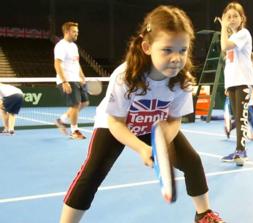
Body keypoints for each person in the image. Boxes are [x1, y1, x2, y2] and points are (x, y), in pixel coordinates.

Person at [59, 6, 224, 223]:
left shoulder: (183, 81)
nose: (176, 58)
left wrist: (161, 144)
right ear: (147, 47)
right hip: (117, 125)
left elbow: (174, 120)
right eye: (167, 50)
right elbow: (115, 122)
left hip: (154, 126)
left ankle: (204, 214)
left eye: (182, 50)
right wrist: (141, 148)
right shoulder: (126, 76)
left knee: (192, 161)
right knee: (93, 172)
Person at [216, 2, 253, 166]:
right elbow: (227, 59)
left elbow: (224, 46)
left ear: (242, 18)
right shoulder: (232, 36)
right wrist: (226, 85)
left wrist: (223, 27)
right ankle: (239, 150)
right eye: (228, 17)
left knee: (241, 118)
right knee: (237, 118)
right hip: (232, 82)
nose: (232, 19)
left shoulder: (244, 33)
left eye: (235, 16)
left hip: (243, 82)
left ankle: (241, 150)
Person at [54, 21, 89, 140]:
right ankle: (75, 131)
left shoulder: (74, 46)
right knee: (75, 104)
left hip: (77, 79)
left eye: (77, 32)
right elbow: (57, 64)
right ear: (67, 32)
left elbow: (76, 63)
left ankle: (61, 120)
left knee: (84, 103)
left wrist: (82, 76)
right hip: (67, 80)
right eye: (74, 32)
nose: (76, 34)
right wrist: (64, 81)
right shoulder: (60, 46)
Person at [224, 52, 253, 141]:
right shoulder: (244, 70)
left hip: (250, 100)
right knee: (250, 119)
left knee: (245, 119)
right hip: (246, 101)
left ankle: (229, 128)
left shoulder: (250, 72)